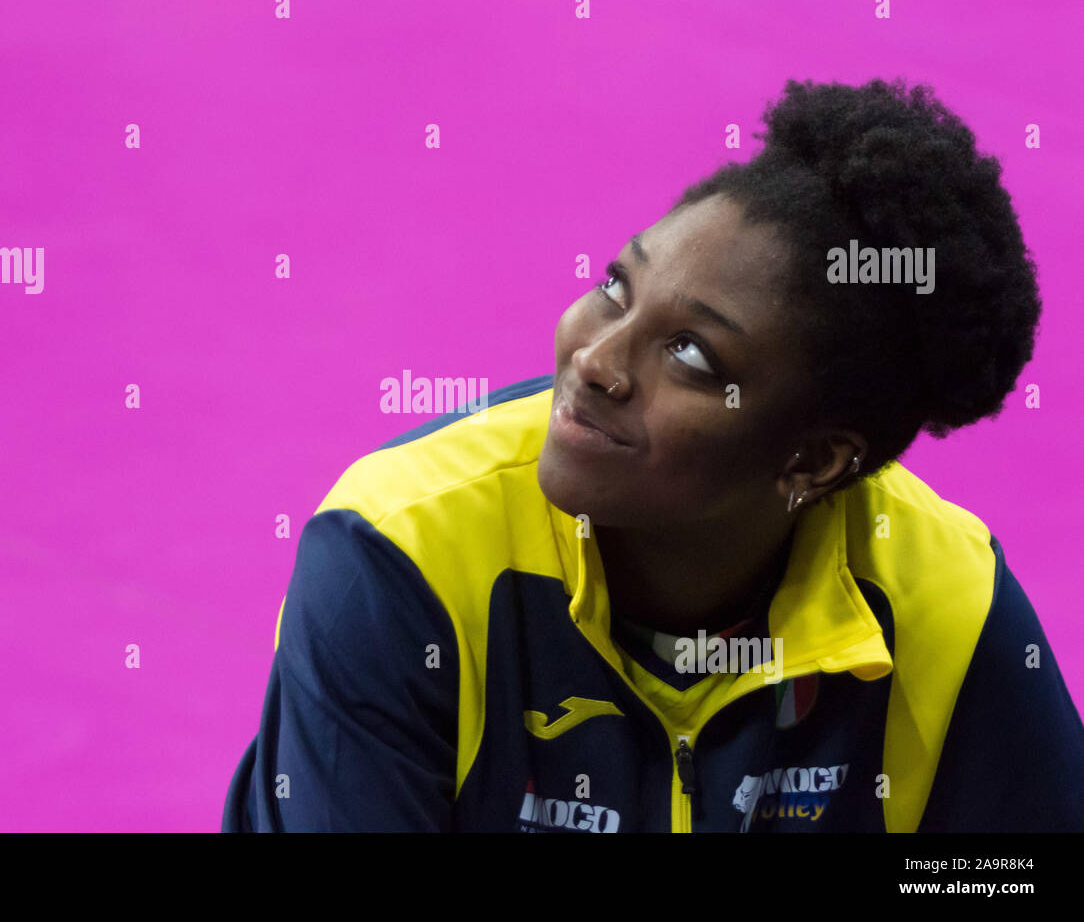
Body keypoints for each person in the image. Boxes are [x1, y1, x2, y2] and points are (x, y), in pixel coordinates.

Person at [222, 77, 1084, 832]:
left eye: (691, 356)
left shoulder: (944, 601)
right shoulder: (401, 554)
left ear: (813, 462)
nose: (594, 360)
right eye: (614, 289)